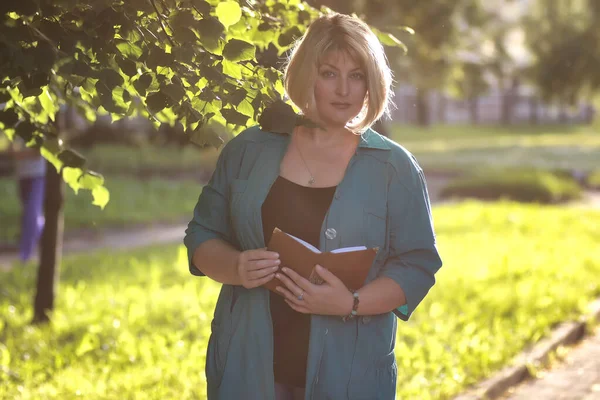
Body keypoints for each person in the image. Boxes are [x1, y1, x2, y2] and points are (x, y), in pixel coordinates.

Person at [184, 13, 443, 400]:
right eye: (329, 73)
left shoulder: (395, 167)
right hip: (248, 365)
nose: (343, 90)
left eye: (356, 75)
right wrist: (236, 266)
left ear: (372, 82)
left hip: (350, 373)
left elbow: (417, 264)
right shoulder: (248, 150)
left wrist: (350, 303)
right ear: (307, 75)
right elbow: (202, 236)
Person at [9, 136, 46, 262]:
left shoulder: (39, 125)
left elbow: (38, 153)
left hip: (38, 175)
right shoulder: (16, 125)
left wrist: (20, 153)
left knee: (31, 214)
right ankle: (48, 239)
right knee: (30, 214)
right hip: (22, 176)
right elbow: (11, 150)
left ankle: (25, 256)